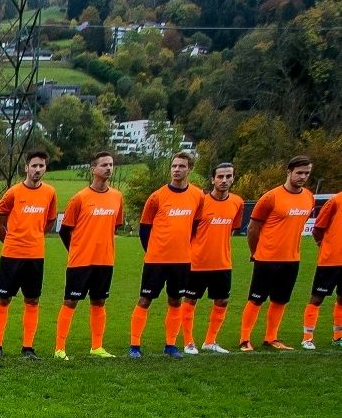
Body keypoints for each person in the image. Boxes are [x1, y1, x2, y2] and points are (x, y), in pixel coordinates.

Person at [130, 153, 201, 359]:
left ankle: (170, 345)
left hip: (181, 260)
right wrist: (152, 251)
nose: (177, 169)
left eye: (182, 166)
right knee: (145, 300)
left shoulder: (197, 196)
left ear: (190, 169)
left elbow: (195, 225)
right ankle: (135, 345)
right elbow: (145, 228)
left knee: (176, 300)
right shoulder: (157, 196)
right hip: (156, 260)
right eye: (174, 166)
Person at [54, 151, 124, 360]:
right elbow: (64, 230)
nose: (108, 168)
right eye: (104, 165)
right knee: (70, 301)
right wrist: (76, 250)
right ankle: (59, 348)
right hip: (80, 261)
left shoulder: (117, 197)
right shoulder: (80, 198)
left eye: (111, 165)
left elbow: (116, 227)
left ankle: (97, 346)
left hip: (105, 260)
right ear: (93, 169)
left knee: (99, 301)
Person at [240, 156, 314, 352]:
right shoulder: (271, 197)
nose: (303, 177)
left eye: (306, 173)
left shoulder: (308, 197)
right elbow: (252, 228)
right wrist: (255, 252)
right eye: (299, 172)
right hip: (267, 258)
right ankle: (245, 339)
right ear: (289, 172)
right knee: (256, 298)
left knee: (280, 300)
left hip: (291, 258)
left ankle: (271, 338)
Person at [0, 149, 56, 359]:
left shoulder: (50, 193)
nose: (37, 169)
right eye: (34, 165)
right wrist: (11, 241)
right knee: (3, 299)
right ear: (26, 167)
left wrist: (35, 238)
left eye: (41, 166)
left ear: (45, 168)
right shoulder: (13, 193)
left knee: (32, 300)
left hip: (36, 256)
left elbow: (51, 221)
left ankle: (28, 348)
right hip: (11, 255)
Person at [183, 162, 241, 354]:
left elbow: (232, 230)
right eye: (220, 177)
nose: (224, 181)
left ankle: (210, 341)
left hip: (223, 263)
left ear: (233, 178)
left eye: (228, 177)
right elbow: (189, 230)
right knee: (190, 301)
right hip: (197, 262)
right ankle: (188, 341)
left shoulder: (237, 202)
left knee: (222, 301)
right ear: (212, 179)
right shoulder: (201, 202)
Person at [300, 192, 340, 350]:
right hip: (330, 260)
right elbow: (318, 228)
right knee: (317, 298)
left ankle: (338, 337)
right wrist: (323, 245)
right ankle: (307, 338)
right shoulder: (336, 200)